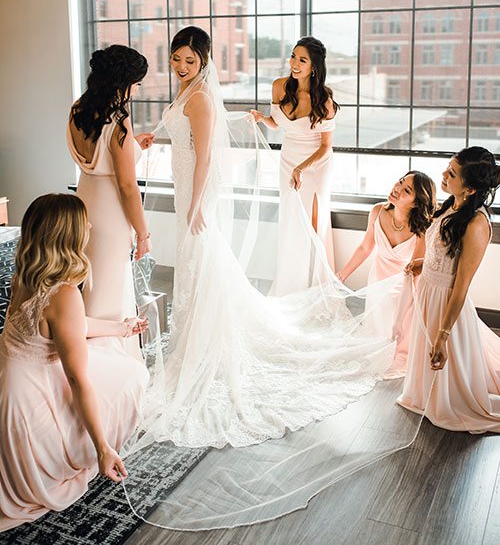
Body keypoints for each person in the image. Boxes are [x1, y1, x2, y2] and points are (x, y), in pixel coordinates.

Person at [135, 26, 397, 451]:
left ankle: (208, 337)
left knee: (203, 253)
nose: (181, 67)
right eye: (176, 59)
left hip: (197, 190)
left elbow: (204, 154)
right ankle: (197, 333)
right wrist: (154, 138)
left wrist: (197, 203)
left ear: (203, 60)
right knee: (198, 258)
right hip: (188, 185)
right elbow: (188, 136)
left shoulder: (201, 97)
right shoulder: (192, 93)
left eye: (189, 60)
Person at [0, 194, 149, 532]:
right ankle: (77, 448)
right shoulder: (64, 294)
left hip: (10, 392)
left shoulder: (25, 275)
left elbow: (71, 328)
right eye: (85, 222)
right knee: (129, 374)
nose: (91, 226)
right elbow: (78, 379)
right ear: (68, 234)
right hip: (28, 415)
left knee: (109, 347)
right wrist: (103, 449)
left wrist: (122, 328)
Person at [398, 147, 500, 432]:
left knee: (445, 365)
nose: (443, 174)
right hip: (429, 293)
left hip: (447, 303)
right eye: (448, 167)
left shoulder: (477, 224)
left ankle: (449, 402)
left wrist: (443, 334)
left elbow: (461, 284)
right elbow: (442, 251)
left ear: (468, 187)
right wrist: (423, 263)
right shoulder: (452, 204)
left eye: (452, 173)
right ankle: (428, 397)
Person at [67, 45, 153, 357]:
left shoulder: (78, 109)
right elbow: (128, 186)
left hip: (84, 201)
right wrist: (143, 234)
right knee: (110, 289)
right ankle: (110, 364)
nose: (138, 89)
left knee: (88, 284)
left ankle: (82, 354)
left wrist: (133, 145)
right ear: (123, 82)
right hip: (112, 212)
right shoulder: (118, 121)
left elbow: (97, 156)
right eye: (137, 83)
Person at [250, 37, 339, 295]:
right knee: (291, 220)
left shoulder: (324, 100)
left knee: (312, 222)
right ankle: (292, 283)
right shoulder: (279, 87)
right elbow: (279, 124)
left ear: (314, 66)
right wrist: (261, 119)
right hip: (289, 158)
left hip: (316, 163)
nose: (294, 63)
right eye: (293, 57)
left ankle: (315, 287)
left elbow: (326, 147)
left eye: (302, 60)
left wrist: (302, 168)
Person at [336, 172, 436, 377]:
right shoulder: (377, 211)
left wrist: (406, 303)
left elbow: (414, 272)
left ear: (417, 203)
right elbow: (365, 247)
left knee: (394, 317)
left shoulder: (422, 228)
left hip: (403, 283)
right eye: (400, 182)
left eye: (406, 190)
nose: (397, 189)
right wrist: (341, 276)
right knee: (374, 337)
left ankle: (399, 340)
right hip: (378, 279)